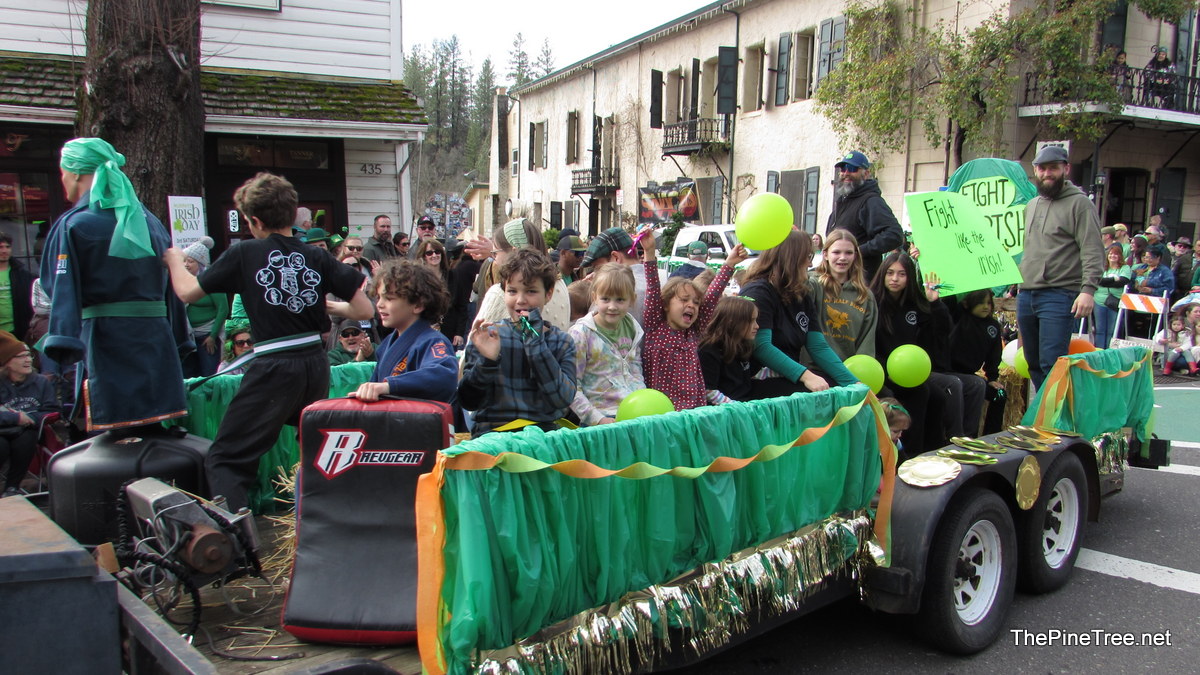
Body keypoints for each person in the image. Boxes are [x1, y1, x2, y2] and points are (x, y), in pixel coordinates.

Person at [165, 172, 374, 512]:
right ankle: (329, 520)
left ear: (255, 221)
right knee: (314, 450)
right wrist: (325, 305)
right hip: (315, 364)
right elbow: (364, 309)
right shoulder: (317, 255)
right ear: (293, 215)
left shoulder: (245, 252)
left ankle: (237, 538)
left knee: (226, 458)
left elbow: (187, 292)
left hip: (275, 368)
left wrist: (175, 260)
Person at [41, 137, 190, 432]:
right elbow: (170, 283)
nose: (63, 180)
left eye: (62, 172)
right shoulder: (150, 222)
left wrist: (63, 338)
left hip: (104, 340)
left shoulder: (75, 224)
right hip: (156, 340)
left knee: (110, 437)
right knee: (152, 429)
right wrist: (179, 336)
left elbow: (58, 286)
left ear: (75, 173)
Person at [458, 248, 576, 436]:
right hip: (494, 436)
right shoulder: (489, 336)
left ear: (548, 294)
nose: (520, 300)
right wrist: (487, 362)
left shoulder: (561, 342)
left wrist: (535, 344)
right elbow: (469, 401)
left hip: (542, 436)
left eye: (531, 291)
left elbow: (562, 399)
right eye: (512, 291)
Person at [1017, 144, 1104, 389]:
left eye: (1053, 168)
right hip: (1027, 293)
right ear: (1035, 170)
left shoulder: (1080, 204)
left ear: (1066, 169)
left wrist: (1088, 290)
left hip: (1059, 294)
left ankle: (1056, 412)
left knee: (1052, 363)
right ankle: (1045, 408)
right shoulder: (1032, 205)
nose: (1047, 173)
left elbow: (1092, 249)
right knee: (1033, 362)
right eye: (1042, 168)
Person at [739, 231, 859, 400]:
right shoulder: (758, 292)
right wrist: (806, 376)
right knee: (829, 397)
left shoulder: (800, 293)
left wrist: (854, 384)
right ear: (791, 258)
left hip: (787, 377)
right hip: (755, 381)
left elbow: (818, 346)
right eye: (808, 256)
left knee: (843, 391)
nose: (810, 263)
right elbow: (761, 346)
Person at [640, 231, 745, 410]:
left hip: (693, 410)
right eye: (684, 300)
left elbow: (712, 297)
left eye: (696, 302)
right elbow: (653, 287)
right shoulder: (655, 326)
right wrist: (649, 252)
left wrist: (729, 264)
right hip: (663, 411)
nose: (691, 305)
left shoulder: (693, 332)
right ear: (665, 304)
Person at [871, 251, 949, 455]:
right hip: (881, 372)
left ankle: (932, 452)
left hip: (909, 373)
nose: (895, 279)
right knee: (920, 394)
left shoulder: (915, 305)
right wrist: (885, 371)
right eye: (890, 273)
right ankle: (909, 454)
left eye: (901, 274)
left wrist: (935, 303)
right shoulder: (873, 303)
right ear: (883, 275)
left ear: (910, 278)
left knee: (938, 396)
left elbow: (938, 334)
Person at [353, 260, 457, 402]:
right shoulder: (387, 344)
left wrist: (389, 386)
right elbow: (376, 385)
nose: (379, 304)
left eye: (389, 298)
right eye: (378, 297)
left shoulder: (433, 342)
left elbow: (444, 376)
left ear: (418, 305)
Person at [567, 263, 644, 425]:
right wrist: (597, 419)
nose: (612, 306)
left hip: (633, 414)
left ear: (632, 299)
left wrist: (641, 401)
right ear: (595, 297)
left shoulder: (632, 328)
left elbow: (635, 370)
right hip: (600, 419)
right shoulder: (581, 334)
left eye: (620, 299)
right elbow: (571, 386)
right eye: (605, 299)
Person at [475, 219, 570, 330]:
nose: (494, 259)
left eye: (495, 253)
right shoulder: (560, 284)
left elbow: (476, 337)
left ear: (514, 252)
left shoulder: (500, 293)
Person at [826, 151, 904, 280]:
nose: (846, 173)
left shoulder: (871, 201)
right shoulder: (843, 201)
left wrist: (857, 251)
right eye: (843, 169)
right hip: (837, 280)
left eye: (852, 169)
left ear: (866, 174)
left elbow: (894, 235)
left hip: (859, 282)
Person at [0, 332, 59, 497]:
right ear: (6, 361)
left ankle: (12, 488)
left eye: (29, 355)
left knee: (26, 440)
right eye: (21, 356)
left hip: (30, 430)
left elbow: (52, 409)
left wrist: (32, 418)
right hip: (2, 429)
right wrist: (17, 418)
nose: (28, 360)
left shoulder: (40, 381)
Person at [808, 229, 878, 361]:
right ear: (825, 254)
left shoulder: (865, 296)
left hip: (847, 368)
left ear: (855, 255)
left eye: (848, 253)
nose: (843, 258)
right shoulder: (813, 285)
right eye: (836, 252)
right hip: (812, 368)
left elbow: (866, 344)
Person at [949, 289, 1005, 436]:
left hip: (971, 375)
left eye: (988, 303)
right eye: (980, 303)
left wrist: (992, 378)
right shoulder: (959, 317)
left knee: (999, 394)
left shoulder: (993, 326)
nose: (986, 306)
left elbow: (994, 355)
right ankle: (967, 435)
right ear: (968, 304)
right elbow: (951, 303)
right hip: (950, 372)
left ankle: (991, 435)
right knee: (975, 386)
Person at [181, 236, 229, 378]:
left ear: (200, 264)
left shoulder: (211, 281)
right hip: (189, 336)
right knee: (189, 374)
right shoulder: (183, 282)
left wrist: (212, 336)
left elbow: (223, 309)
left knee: (209, 373)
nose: (186, 265)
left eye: (191, 261)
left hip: (207, 334)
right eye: (184, 261)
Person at [578, 227, 648, 325]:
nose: (596, 272)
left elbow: (591, 328)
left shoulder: (613, 289)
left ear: (616, 258)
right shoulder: (659, 280)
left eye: (598, 267)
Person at [699, 296, 762, 403]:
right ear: (732, 322)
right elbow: (709, 391)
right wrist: (737, 407)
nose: (757, 326)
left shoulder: (743, 345)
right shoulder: (708, 349)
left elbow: (753, 374)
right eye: (751, 321)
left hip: (744, 403)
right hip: (726, 409)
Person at [1093, 243, 1132, 349]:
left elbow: (1123, 281)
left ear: (1120, 256)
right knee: (1099, 329)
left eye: (1115, 254)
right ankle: (1099, 351)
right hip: (1099, 301)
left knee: (1112, 330)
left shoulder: (1125, 267)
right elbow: (1097, 280)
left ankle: (1109, 350)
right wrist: (1114, 279)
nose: (1112, 256)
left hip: (1115, 302)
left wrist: (1105, 282)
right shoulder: (1102, 267)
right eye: (1110, 254)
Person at [0, 232, 35, 343]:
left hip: (18, 331)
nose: (4, 250)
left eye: (7, 247)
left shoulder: (22, 274)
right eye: (0, 247)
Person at [1171, 237, 1193, 301]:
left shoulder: (1190, 260)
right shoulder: (1167, 256)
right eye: (1180, 246)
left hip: (1180, 290)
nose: (1181, 248)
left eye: (1185, 247)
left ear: (1188, 249)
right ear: (1175, 246)